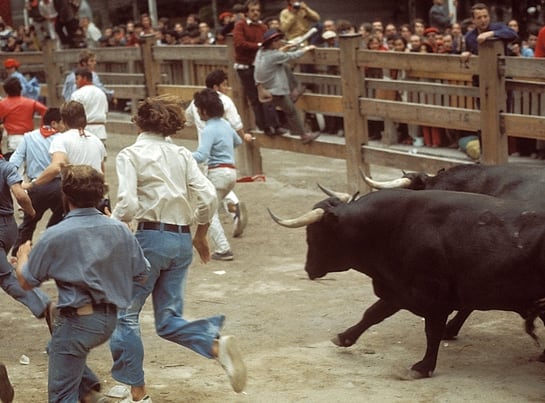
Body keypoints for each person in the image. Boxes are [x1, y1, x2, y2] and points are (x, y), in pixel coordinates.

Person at [109, 95, 246, 401]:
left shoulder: (130, 154)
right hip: (181, 240)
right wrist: (201, 232)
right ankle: (214, 345)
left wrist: (112, 226)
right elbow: (209, 195)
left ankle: (137, 392)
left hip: (148, 238)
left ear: (137, 122)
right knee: (168, 320)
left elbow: (128, 203)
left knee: (125, 315)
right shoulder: (182, 154)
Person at [16, 164, 149, 402]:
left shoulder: (56, 234)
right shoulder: (119, 229)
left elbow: (26, 282)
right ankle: (88, 392)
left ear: (65, 196)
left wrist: (23, 257)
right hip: (109, 320)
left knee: (61, 394)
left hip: (78, 320)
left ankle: (87, 392)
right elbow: (142, 273)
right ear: (101, 194)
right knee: (58, 348)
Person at [185, 69, 250, 238]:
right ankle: (234, 208)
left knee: (208, 204)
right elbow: (236, 128)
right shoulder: (225, 103)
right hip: (228, 163)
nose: (227, 88)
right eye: (225, 84)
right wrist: (239, 138)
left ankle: (221, 246)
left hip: (205, 157)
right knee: (216, 194)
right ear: (216, 86)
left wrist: (181, 156)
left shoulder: (195, 104)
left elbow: (186, 120)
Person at [190, 88, 242, 261]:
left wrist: (182, 155)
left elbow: (202, 155)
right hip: (231, 173)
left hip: (217, 173)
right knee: (207, 207)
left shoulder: (208, 129)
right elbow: (238, 141)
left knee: (209, 212)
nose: (197, 112)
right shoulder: (225, 124)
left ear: (204, 110)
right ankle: (185, 228)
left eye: (198, 109)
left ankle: (223, 248)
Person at [9, 108, 64, 258]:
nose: (63, 126)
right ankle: (50, 247)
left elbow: (15, 160)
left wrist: (13, 180)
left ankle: (17, 256)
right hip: (59, 186)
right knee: (61, 219)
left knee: (28, 224)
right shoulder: (61, 138)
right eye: (62, 122)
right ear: (54, 123)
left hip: (36, 187)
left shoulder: (28, 137)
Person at [254, 28, 320, 144]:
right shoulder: (274, 56)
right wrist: (306, 48)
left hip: (265, 88)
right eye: (277, 40)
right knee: (292, 112)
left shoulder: (261, 52)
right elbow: (292, 56)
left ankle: (294, 92)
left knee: (284, 67)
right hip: (274, 91)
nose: (280, 41)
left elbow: (280, 54)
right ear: (272, 43)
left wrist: (284, 49)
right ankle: (304, 135)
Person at [24, 101, 106, 190]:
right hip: (96, 191)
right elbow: (101, 171)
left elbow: (56, 166)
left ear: (63, 121)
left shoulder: (61, 140)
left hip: (75, 192)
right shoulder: (97, 140)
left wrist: (32, 185)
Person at [232, 0, 283, 136]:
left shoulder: (262, 27)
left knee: (267, 95)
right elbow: (239, 43)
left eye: (258, 10)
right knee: (254, 98)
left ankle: (275, 125)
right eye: (252, 10)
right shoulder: (240, 25)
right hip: (246, 66)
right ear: (246, 12)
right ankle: (264, 127)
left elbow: (269, 42)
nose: (255, 13)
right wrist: (259, 45)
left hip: (260, 65)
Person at [0, 76, 47, 155]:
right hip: (30, 137)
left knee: (16, 165)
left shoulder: (2, 104)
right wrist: (42, 127)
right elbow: (45, 110)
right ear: (20, 88)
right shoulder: (30, 102)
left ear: (6, 90)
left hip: (13, 138)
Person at [70, 67, 109, 143]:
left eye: (77, 79)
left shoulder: (77, 94)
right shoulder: (101, 93)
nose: (75, 82)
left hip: (84, 132)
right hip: (100, 132)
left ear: (84, 78)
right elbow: (106, 111)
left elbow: (73, 115)